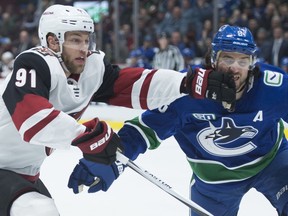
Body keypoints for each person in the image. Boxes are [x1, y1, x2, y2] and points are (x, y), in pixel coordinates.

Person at [0, 4, 236, 216]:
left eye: (86, 40)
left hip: (23, 174)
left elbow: (135, 85)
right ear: (52, 41)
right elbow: (30, 118)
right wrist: (84, 136)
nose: (84, 48)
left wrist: (185, 83)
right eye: (75, 40)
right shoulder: (34, 64)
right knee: (39, 210)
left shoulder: (89, 70)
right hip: (4, 170)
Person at [69, 25, 288, 216]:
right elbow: (145, 130)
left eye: (243, 60)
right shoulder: (187, 89)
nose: (235, 67)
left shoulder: (273, 86)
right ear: (214, 59)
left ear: (252, 63)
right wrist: (109, 159)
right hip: (214, 180)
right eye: (228, 58)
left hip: (272, 163)